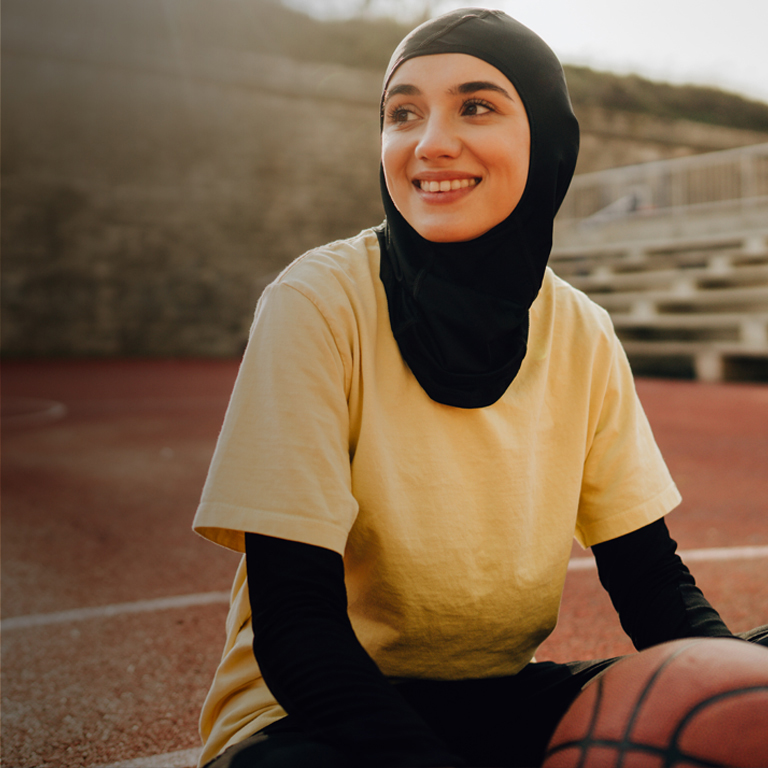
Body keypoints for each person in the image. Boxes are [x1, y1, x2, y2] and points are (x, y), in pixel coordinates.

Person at [192, 9, 766, 768]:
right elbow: (298, 629)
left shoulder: (581, 329)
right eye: (403, 113)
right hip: (317, 714)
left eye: (477, 105)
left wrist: (737, 691)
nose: (429, 142)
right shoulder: (318, 302)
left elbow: (649, 579)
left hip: (499, 696)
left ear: (547, 142)